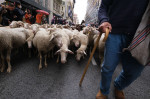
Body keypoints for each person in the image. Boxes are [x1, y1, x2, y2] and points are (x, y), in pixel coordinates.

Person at [96, 0, 149, 99]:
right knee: (108, 66)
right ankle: (103, 90)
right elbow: (103, 6)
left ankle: (119, 85)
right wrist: (104, 20)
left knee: (135, 71)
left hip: (140, 36)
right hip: (115, 30)